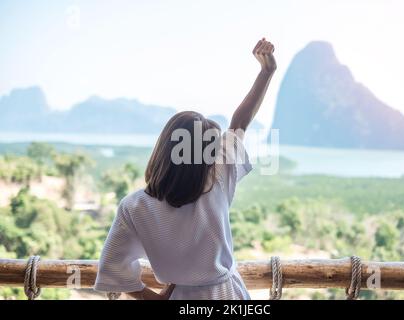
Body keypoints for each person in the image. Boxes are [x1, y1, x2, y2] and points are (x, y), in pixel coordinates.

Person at [94, 38, 276, 300]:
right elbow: (239, 123)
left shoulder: (135, 207)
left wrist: (154, 298)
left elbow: (112, 267)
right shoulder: (217, 181)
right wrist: (266, 72)